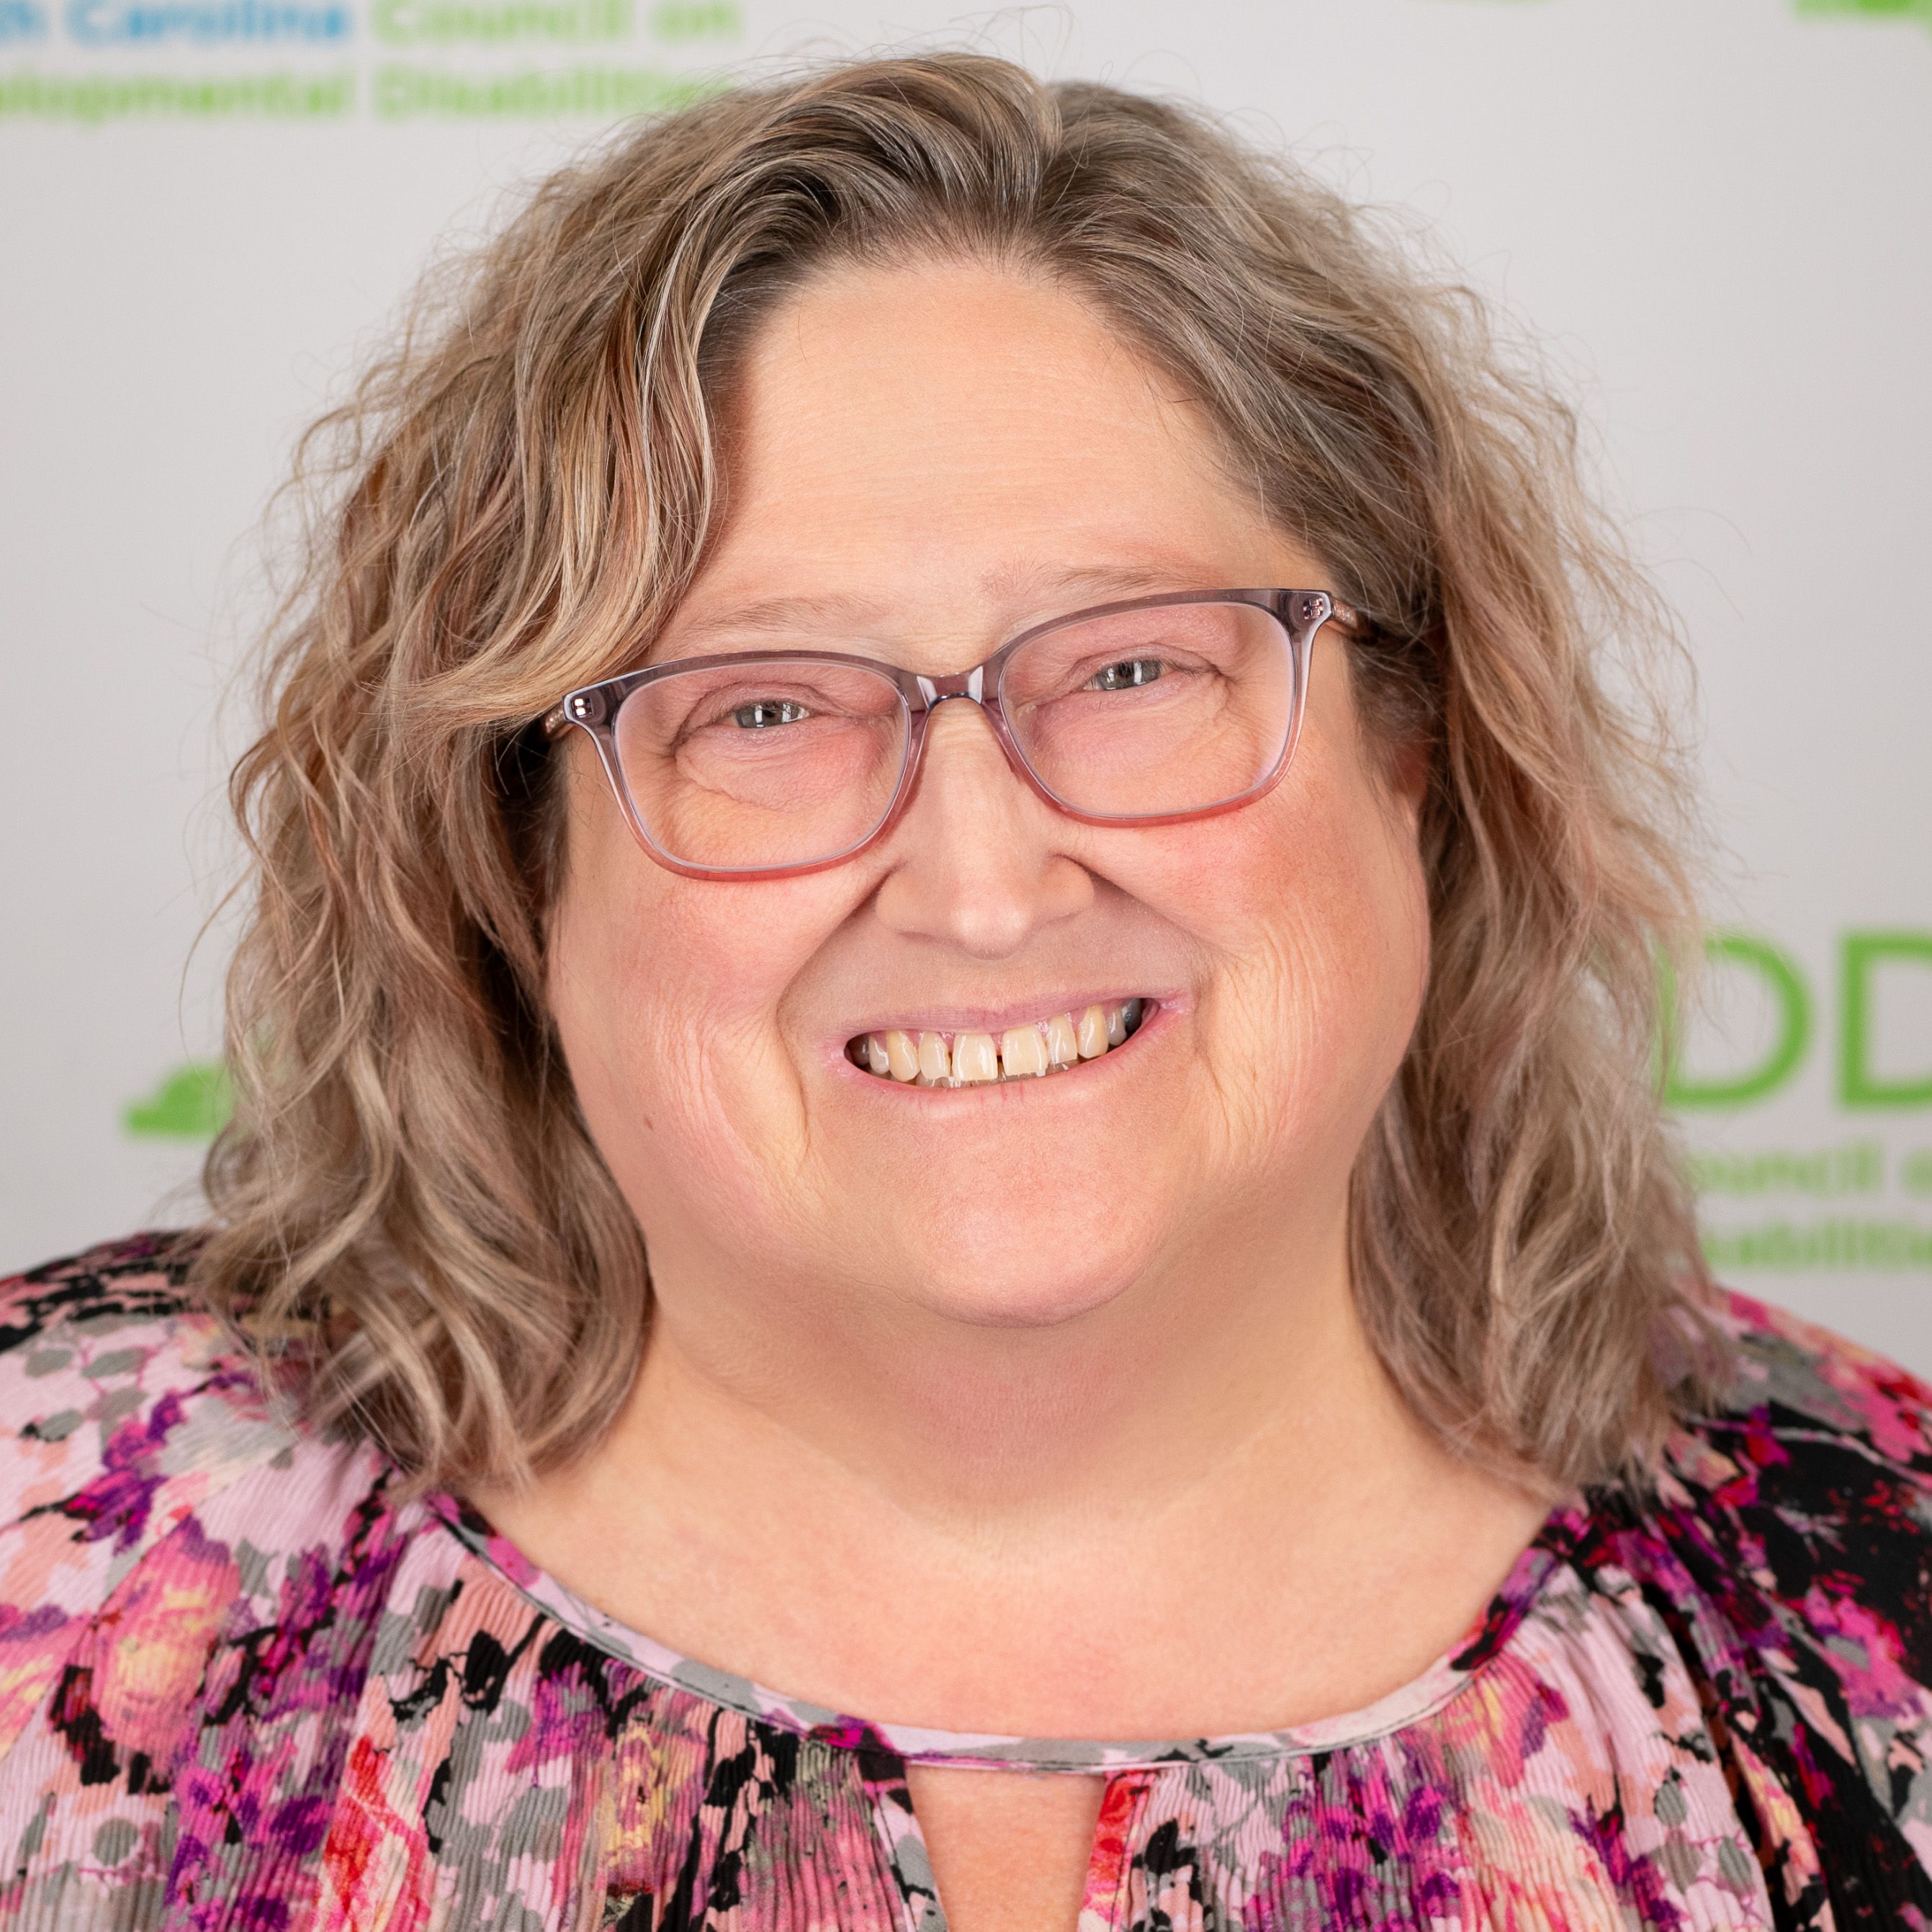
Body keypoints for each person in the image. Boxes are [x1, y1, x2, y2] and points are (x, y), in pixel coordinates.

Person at [3, 50, 1928, 1931]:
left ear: (1415, 752)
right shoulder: (47, 1543)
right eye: (763, 709)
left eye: (1133, 669)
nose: (985, 887)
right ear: (514, 858)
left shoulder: (1879, 1604)